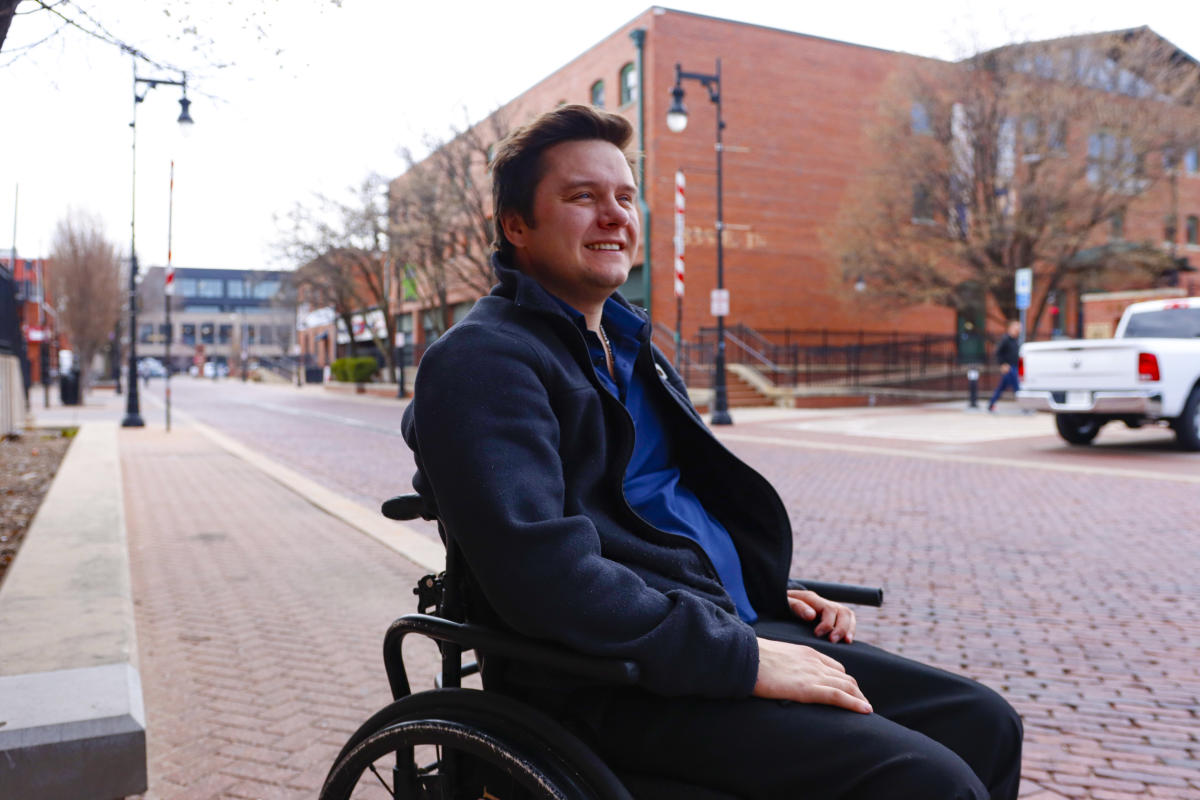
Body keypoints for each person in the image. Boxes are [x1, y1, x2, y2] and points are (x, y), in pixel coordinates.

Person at [401, 105, 1022, 799]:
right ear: (517, 226)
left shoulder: (631, 349)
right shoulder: (484, 362)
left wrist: (755, 589)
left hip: (716, 625)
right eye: (582, 197)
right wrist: (744, 657)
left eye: (625, 197)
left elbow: (663, 508)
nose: (614, 215)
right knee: (925, 781)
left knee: (984, 723)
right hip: (605, 679)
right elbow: (542, 576)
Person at [988, 321, 1022, 412]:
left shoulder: (1016, 340)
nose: (1019, 330)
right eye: (1017, 328)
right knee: (1017, 388)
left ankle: (991, 404)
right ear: (1011, 328)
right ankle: (1024, 406)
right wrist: (1002, 364)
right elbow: (998, 353)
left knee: (1002, 387)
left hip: (1015, 367)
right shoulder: (1006, 339)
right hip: (1009, 368)